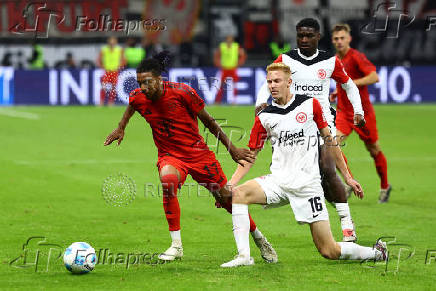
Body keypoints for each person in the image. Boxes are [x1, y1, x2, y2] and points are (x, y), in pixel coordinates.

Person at [104, 52, 277, 263]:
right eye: (140, 83)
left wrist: (231, 149)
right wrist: (121, 128)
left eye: (148, 82)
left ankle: (259, 239)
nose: (143, 88)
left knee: (227, 200)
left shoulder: (183, 93)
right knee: (167, 182)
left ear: (160, 79)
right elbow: (132, 105)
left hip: (199, 156)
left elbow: (210, 122)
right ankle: (176, 245)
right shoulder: (138, 97)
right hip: (170, 156)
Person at [221, 62, 387, 267]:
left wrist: (348, 177)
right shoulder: (264, 116)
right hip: (278, 182)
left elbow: (331, 142)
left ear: (289, 82)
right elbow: (251, 155)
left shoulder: (310, 105)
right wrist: (231, 182)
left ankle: (376, 253)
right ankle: (244, 257)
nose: (272, 85)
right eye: (269, 82)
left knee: (329, 250)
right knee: (238, 194)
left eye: (277, 81)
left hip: (308, 186)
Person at [255, 18, 364, 242]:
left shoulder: (329, 61)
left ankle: (347, 224)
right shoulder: (286, 59)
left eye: (308, 35)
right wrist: (260, 102)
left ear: (318, 36)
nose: (304, 39)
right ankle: (282, 195)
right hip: (295, 120)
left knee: (327, 165)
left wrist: (358, 111)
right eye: (300, 35)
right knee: (310, 175)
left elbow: (349, 85)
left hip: (322, 121)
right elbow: (268, 79)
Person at [330, 24, 391, 203]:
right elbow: (341, 83)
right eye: (336, 39)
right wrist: (336, 92)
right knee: (332, 146)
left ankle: (385, 186)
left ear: (349, 39)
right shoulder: (334, 60)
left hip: (362, 113)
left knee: (373, 150)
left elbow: (374, 76)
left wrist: (351, 83)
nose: (339, 41)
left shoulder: (356, 57)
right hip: (343, 113)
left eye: (342, 38)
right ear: (332, 41)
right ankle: (348, 183)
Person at [213, 35, 247, 104]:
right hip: (225, 68)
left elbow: (243, 54)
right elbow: (216, 55)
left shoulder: (236, 46)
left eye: (230, 39)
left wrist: (239, 63)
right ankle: (217, 101)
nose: (229, 40)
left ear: (232, 40)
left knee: (234, 85)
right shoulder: (222, 46)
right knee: (221, 85)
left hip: (233, 68)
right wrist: (218, 63)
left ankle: (234, 101)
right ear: (226, 40)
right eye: (228, 39)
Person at [97, 37, 125, 106]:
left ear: (115, 42)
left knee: (113, 87)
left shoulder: (119, 50)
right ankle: (101, 102)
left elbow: (124, 59)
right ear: (108, 42)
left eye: (113, 41)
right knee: (103, 87)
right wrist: (101, 66)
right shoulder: (104, 50)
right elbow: (99, 59)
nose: (112, 43)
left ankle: (111, 102)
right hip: (107, 71)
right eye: (111, 41)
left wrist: (120, 66)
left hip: (115, 71)